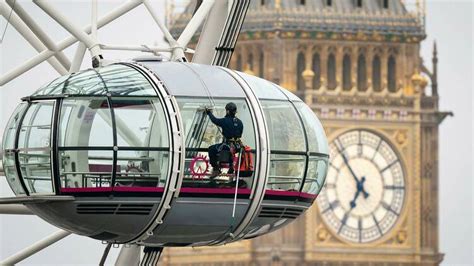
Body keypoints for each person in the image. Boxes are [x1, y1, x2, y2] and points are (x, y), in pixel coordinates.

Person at [205, 102, 244, 178]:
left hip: (227, 146)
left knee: (212, 149)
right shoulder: (240, 122)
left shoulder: (225, 121)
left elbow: (214, 120)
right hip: (237, 146)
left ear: (228, 111)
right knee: (228, 150)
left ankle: (216, 168)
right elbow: (240, 134)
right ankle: (231, 166)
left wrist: (209, 113)